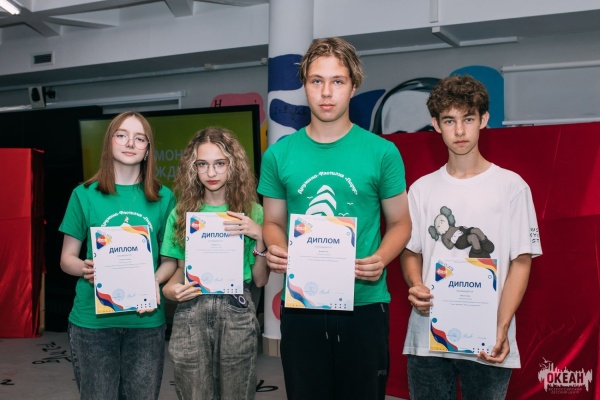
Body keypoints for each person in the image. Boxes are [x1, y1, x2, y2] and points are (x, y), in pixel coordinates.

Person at [258, 37, 411, 400]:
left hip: (365, 302)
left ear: (353, 86)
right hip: (302, 302)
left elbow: (401, 224)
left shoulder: (382, 152)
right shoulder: (279, 155)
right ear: (305, 85)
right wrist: (277, 248)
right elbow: (273, 222)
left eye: (337, 81)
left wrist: (381, 259)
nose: (326, 92)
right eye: (316, 81)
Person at [400, 74, 543, 399]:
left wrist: (502, 326)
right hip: (428, 337)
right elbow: (410, 251)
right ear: (436, 124)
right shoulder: (421, 189)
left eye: (468, 118)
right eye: (449, 120)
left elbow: (521, 261)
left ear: (484, 120)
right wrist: (415, 284)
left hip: (488, 337)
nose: (460, 131)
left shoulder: (512, 187)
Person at [59, 111, 177, 399]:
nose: (130, 143)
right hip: (93, 323)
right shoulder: (84, 194)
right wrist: (86, 268)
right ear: (109, 142)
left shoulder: (164, 197)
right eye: (122, 135)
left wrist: (152, 281)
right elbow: (67, 259)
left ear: (148, 149)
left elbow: (169, 261)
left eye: (140, 138)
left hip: (145, 322)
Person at [160, 126, 269, 400]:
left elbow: (260, 280)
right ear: (193, 168)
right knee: (193, 392)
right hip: (191, 308)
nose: (211, 173)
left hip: (236, 309)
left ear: (234, 166)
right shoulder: (181, 213)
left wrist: (259, 236)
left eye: (220, 163)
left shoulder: (253, 212)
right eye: (203, 164)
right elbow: (179, 270)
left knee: (236, 393)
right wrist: (168, 290)